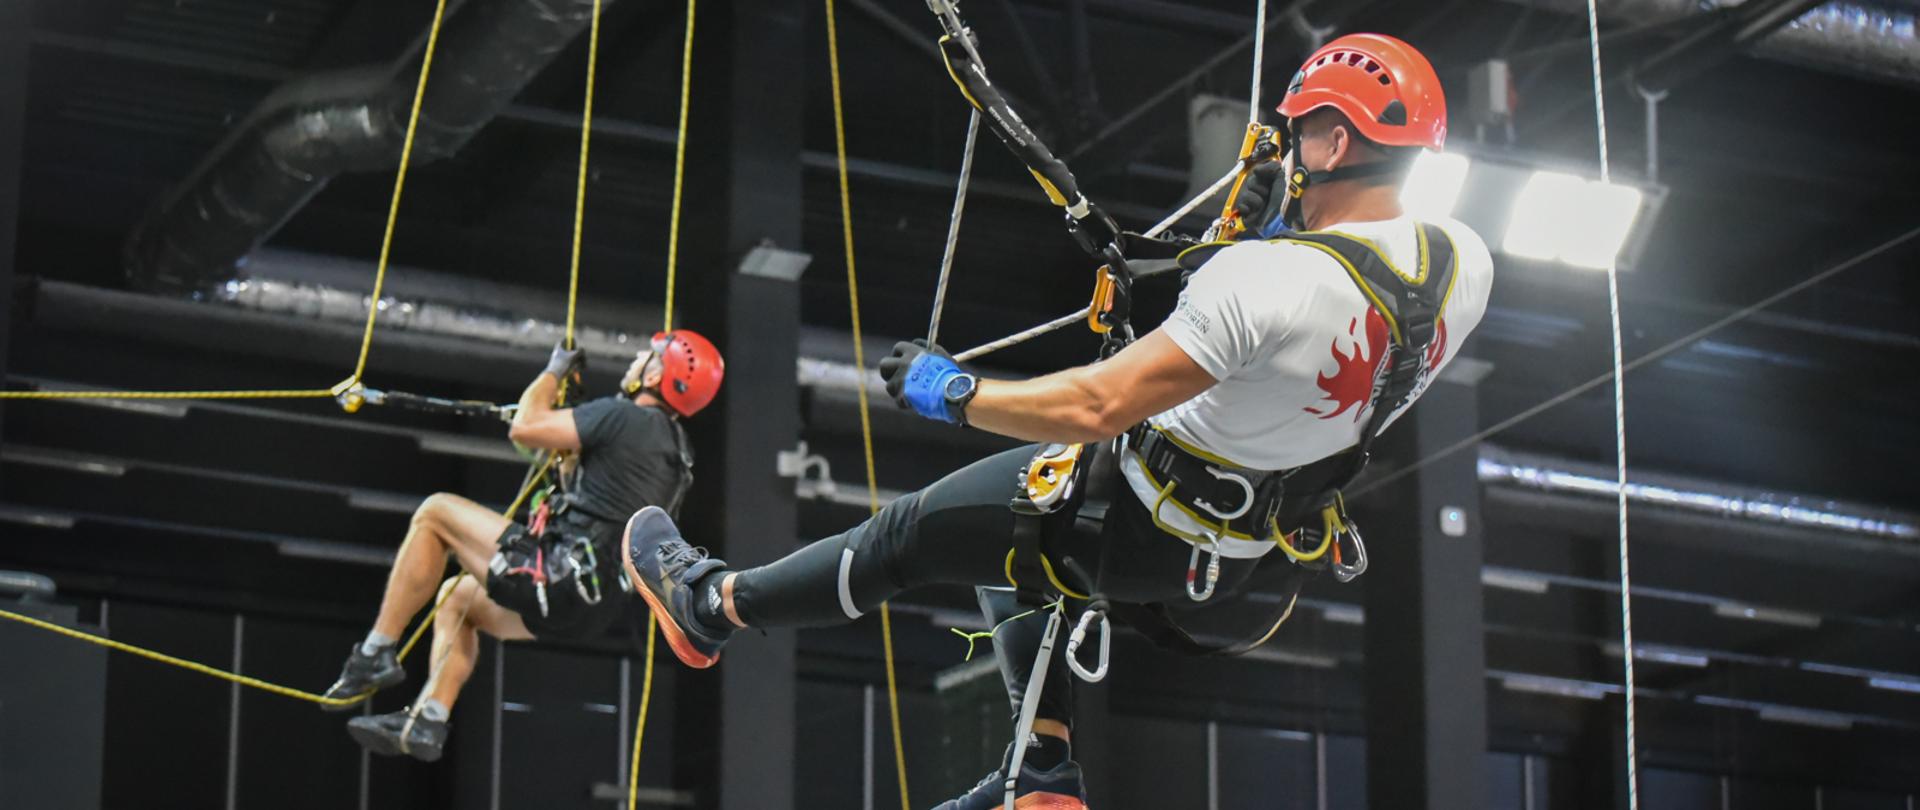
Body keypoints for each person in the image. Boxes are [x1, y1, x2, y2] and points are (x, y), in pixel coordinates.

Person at [623, 33, 1492, 809]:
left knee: (910, 537)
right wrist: (1273, 237)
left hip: (1139, 520)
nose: (1292, 153)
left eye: (1304, 135)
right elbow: (1329, 300)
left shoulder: (1267, 285)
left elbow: (1096, 404)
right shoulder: (1465, 268)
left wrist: (955, 393)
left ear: (1337, 141)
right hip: (1247, 560)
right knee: (1011, 550)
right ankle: (1041, 770)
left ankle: (714, 606)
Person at [319, 330, 723, 762]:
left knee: (435, 513)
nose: (639, 357)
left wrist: (553, 373)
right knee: (458, 598)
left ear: (659, 372)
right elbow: (602, 500)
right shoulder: (678, 455)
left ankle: (374, 651)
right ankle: (429, 719)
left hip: (559, 574)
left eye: (649, 354)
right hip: (591, 609)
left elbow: (525, 427)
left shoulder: (624, 418)